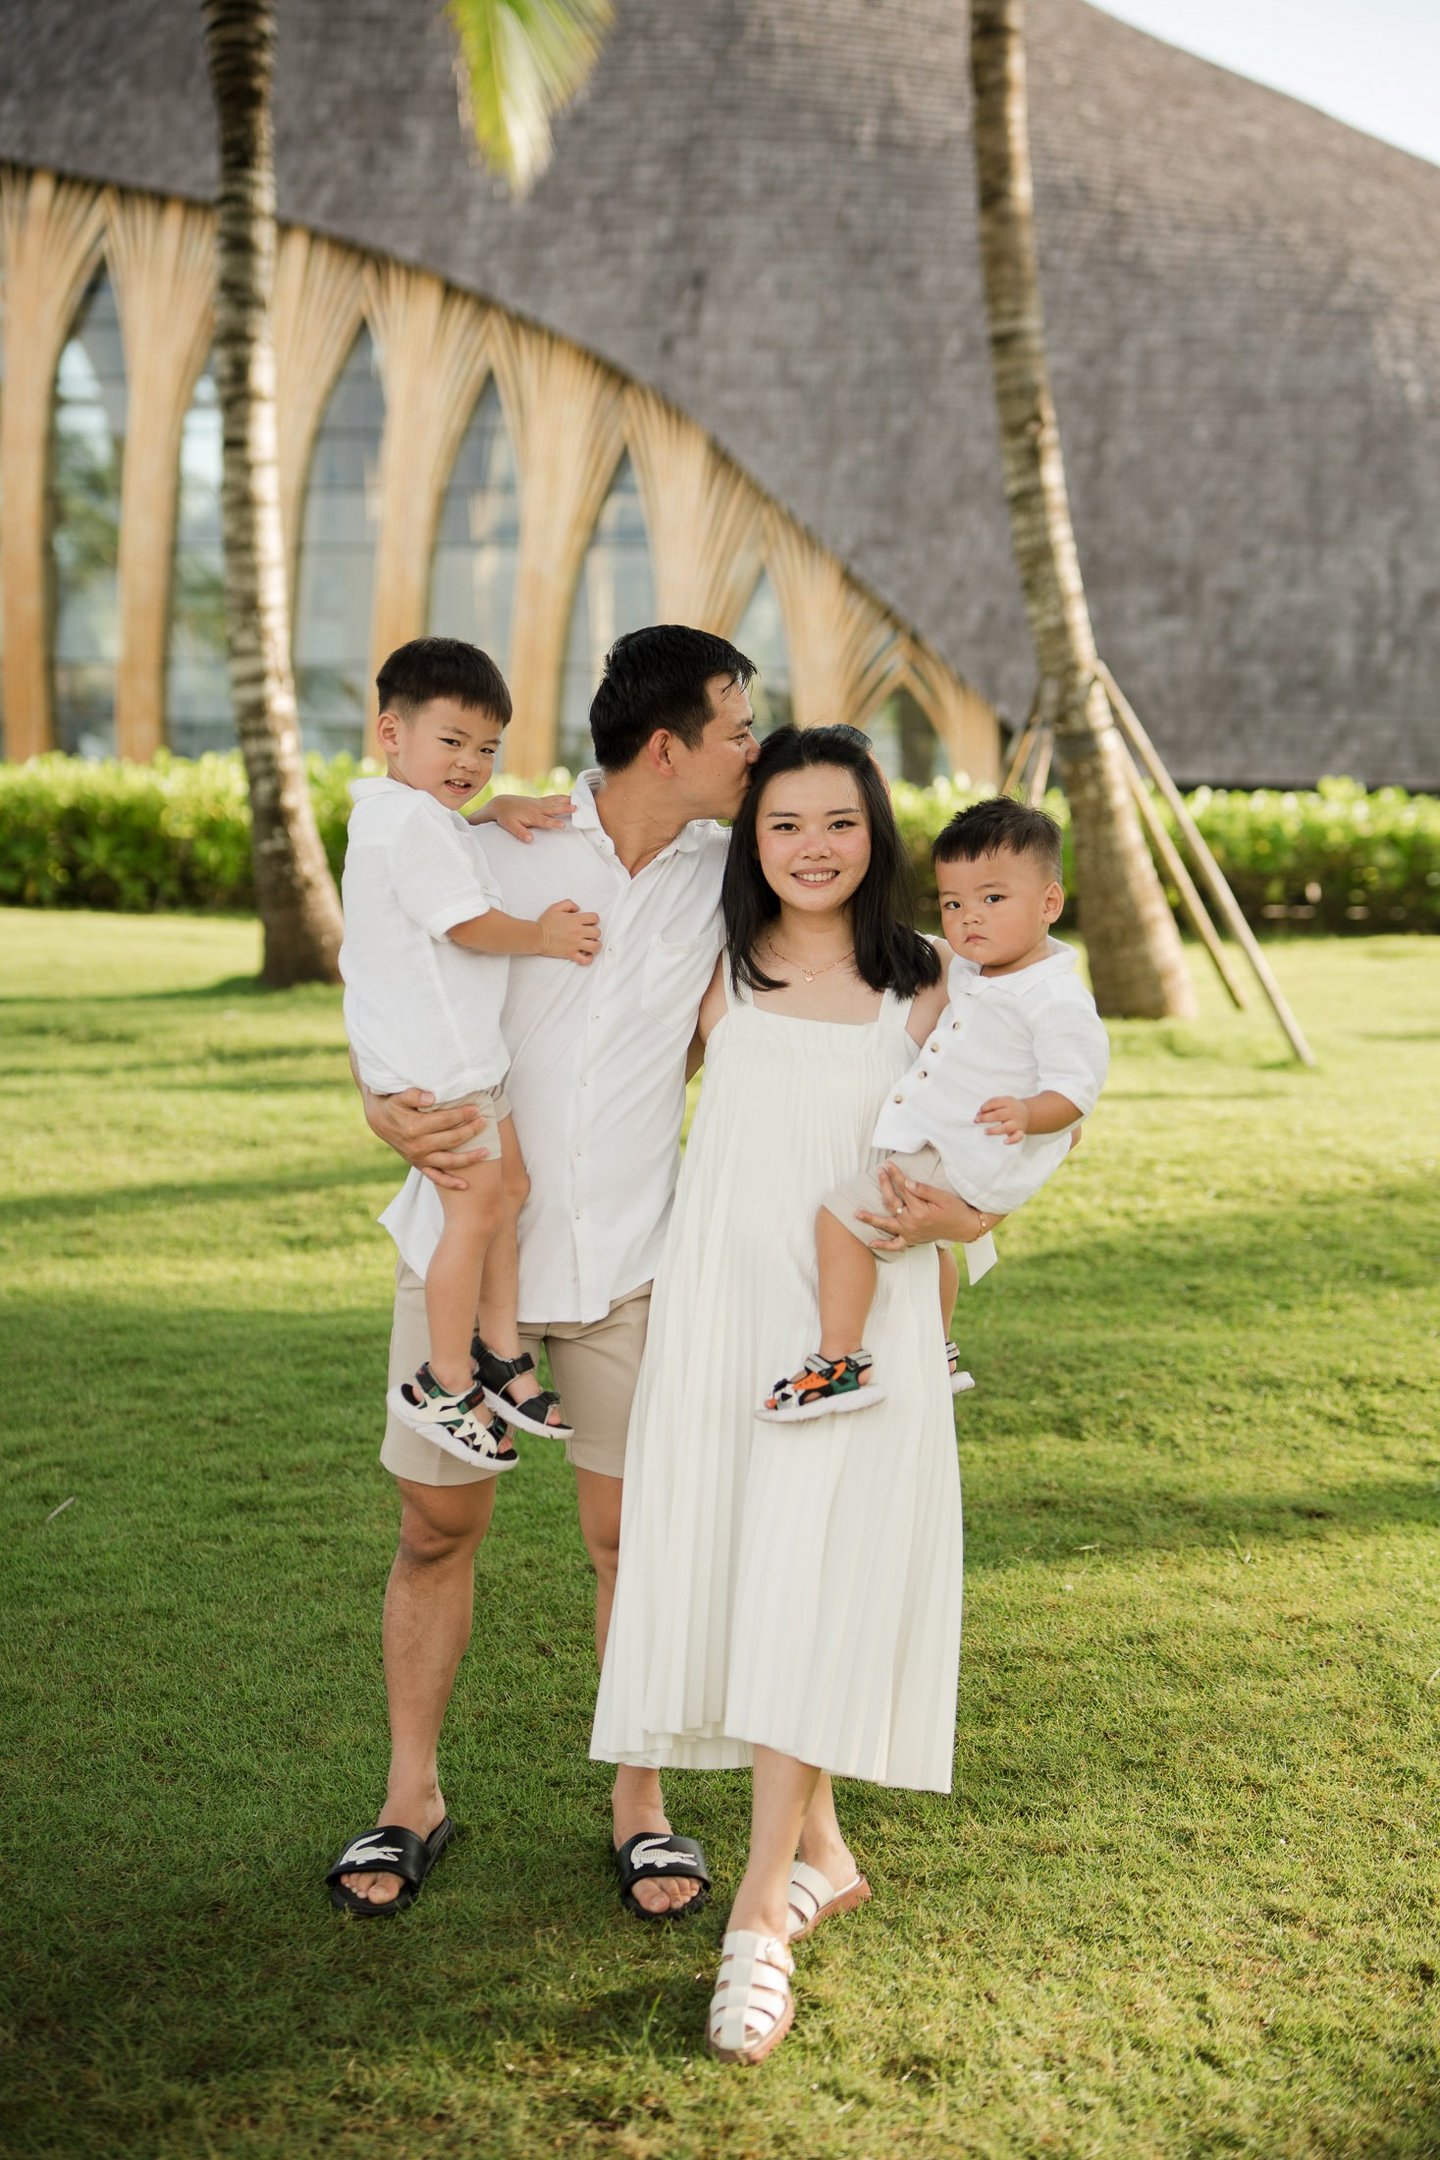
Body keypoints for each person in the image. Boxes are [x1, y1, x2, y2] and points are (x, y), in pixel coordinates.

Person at [326, 625, 761, 1920]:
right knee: (433, 1525)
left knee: (632, 1543)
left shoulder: (730, 873)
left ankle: (643, 1806)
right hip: (468, 1241)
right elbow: (390, 972)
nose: (754, 746)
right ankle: (412, 1798)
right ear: (669, 742)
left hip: (635, 1260)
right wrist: (375, 1100)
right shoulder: (485, 836)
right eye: (738, 725)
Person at [590, 723, 968, 2065]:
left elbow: (977, 1178)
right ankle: (821, 1848)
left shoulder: (927, 986)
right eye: (785, 824)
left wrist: (935, 1315)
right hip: (719, 1321)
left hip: (859, 1343)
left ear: (878, 836)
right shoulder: (717, 974)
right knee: (760, 1579)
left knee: (815, 1584)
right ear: (752, 843)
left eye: (840, 823)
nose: (813, 848)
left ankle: (758, 1917)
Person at [758, 795, 1109, 1422]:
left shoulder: (1054, 996)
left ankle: (839, 1360)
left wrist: (1033, 1114)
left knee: (842, 1218)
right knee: (932, 1252)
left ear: (1049, 904)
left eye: (993, 899)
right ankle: (938, 1346)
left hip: (969, 1152)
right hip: (949, 1146)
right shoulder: (981, 969)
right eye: (953, 903)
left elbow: (1078, 1091)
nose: (969, 918)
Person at [340, 638, 600, 1473]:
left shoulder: (397, 813)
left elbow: (439, 831)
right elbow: (462, 923)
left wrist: (491, 810)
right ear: (391, 729)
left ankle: (496, 1352)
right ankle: (444, 1381)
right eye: (451, 742)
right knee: (475, 1210)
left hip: (462, 1058)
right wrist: (544, 938)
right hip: (441, 1067)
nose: (472, 762)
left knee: (509, 1189)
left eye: (487, 748)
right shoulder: (411, 824)